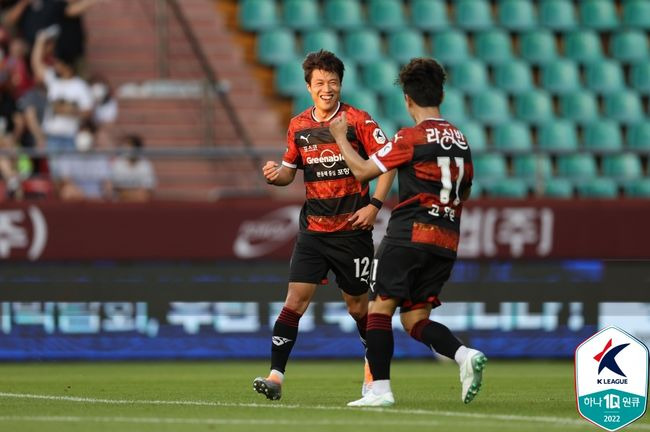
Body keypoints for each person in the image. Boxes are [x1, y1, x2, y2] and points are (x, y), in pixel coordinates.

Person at [328, 58, 487, 407]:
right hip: (446, 240)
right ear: (440, 95)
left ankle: (380, 391)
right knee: (415, 317)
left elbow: (363, 171)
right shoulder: (461, 140)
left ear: (408, 100)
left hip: (409, 235)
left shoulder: (410, 137)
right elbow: (467, 190)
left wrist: (340, 138)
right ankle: (463, 356)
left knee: (378, 310)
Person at [252, 50, 396, 401]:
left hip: (352, 232)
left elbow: (389, 162)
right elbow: (290, 172)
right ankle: (275, 376)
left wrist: (375, 205)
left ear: (340, 84)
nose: (327, 89)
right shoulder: (299, 125)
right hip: (313, 231)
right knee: (294, 301)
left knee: (359, 308)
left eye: (332, 82)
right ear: (308, 87)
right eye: (320, 83)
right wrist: (276, 176)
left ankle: (374, 375)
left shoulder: (358, 120)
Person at [111, 134, 156, 202]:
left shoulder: (145, 164)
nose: (125, 149)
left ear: (136, 148)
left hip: (140, 204)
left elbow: (148, 189)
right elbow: (117, 189)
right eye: (124, 146)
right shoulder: (118, 163)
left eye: (128, 146)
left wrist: (136, 195)